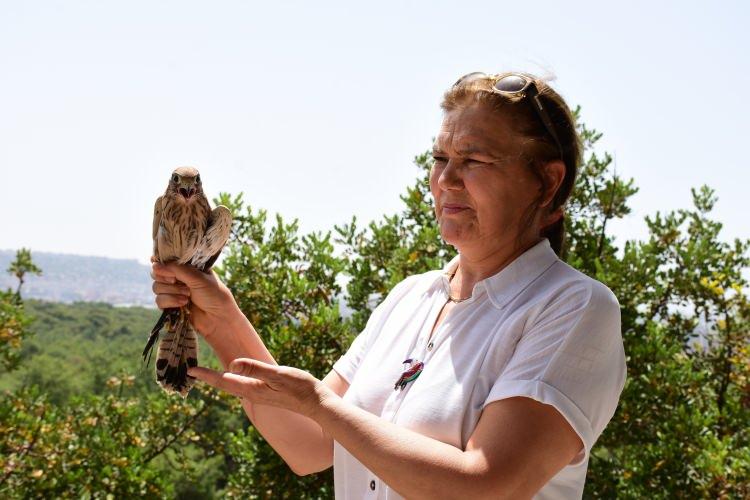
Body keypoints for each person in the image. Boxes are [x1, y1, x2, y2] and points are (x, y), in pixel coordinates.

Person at [151, 71, 627, 499]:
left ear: (546, 182)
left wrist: (320, 404)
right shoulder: (411, 298)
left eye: (474, 159)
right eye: (440, 157)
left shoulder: (575, 308)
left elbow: (487, 486)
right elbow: (309, 445)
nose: (446, 180)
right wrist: (218, 318)